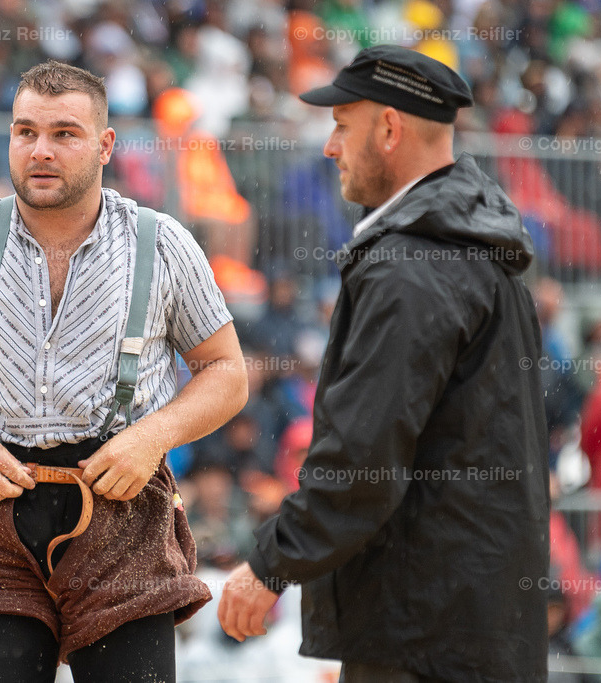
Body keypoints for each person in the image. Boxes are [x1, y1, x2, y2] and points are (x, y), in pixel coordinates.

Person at [0, 59, 248, 682]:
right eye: (26, 132)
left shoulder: (162, 244)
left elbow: (227, 372)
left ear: (105, 145)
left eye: (65, 134)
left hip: (125, 517)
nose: (41, 150)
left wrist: (152, 437)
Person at [217, 45, 549, 682]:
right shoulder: (477, 248)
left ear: (390, 129)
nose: (330, 147)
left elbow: (363, 457)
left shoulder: (410, 269)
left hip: (422, 632)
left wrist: (270, 565)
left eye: (343, 126)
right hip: (471, 626)